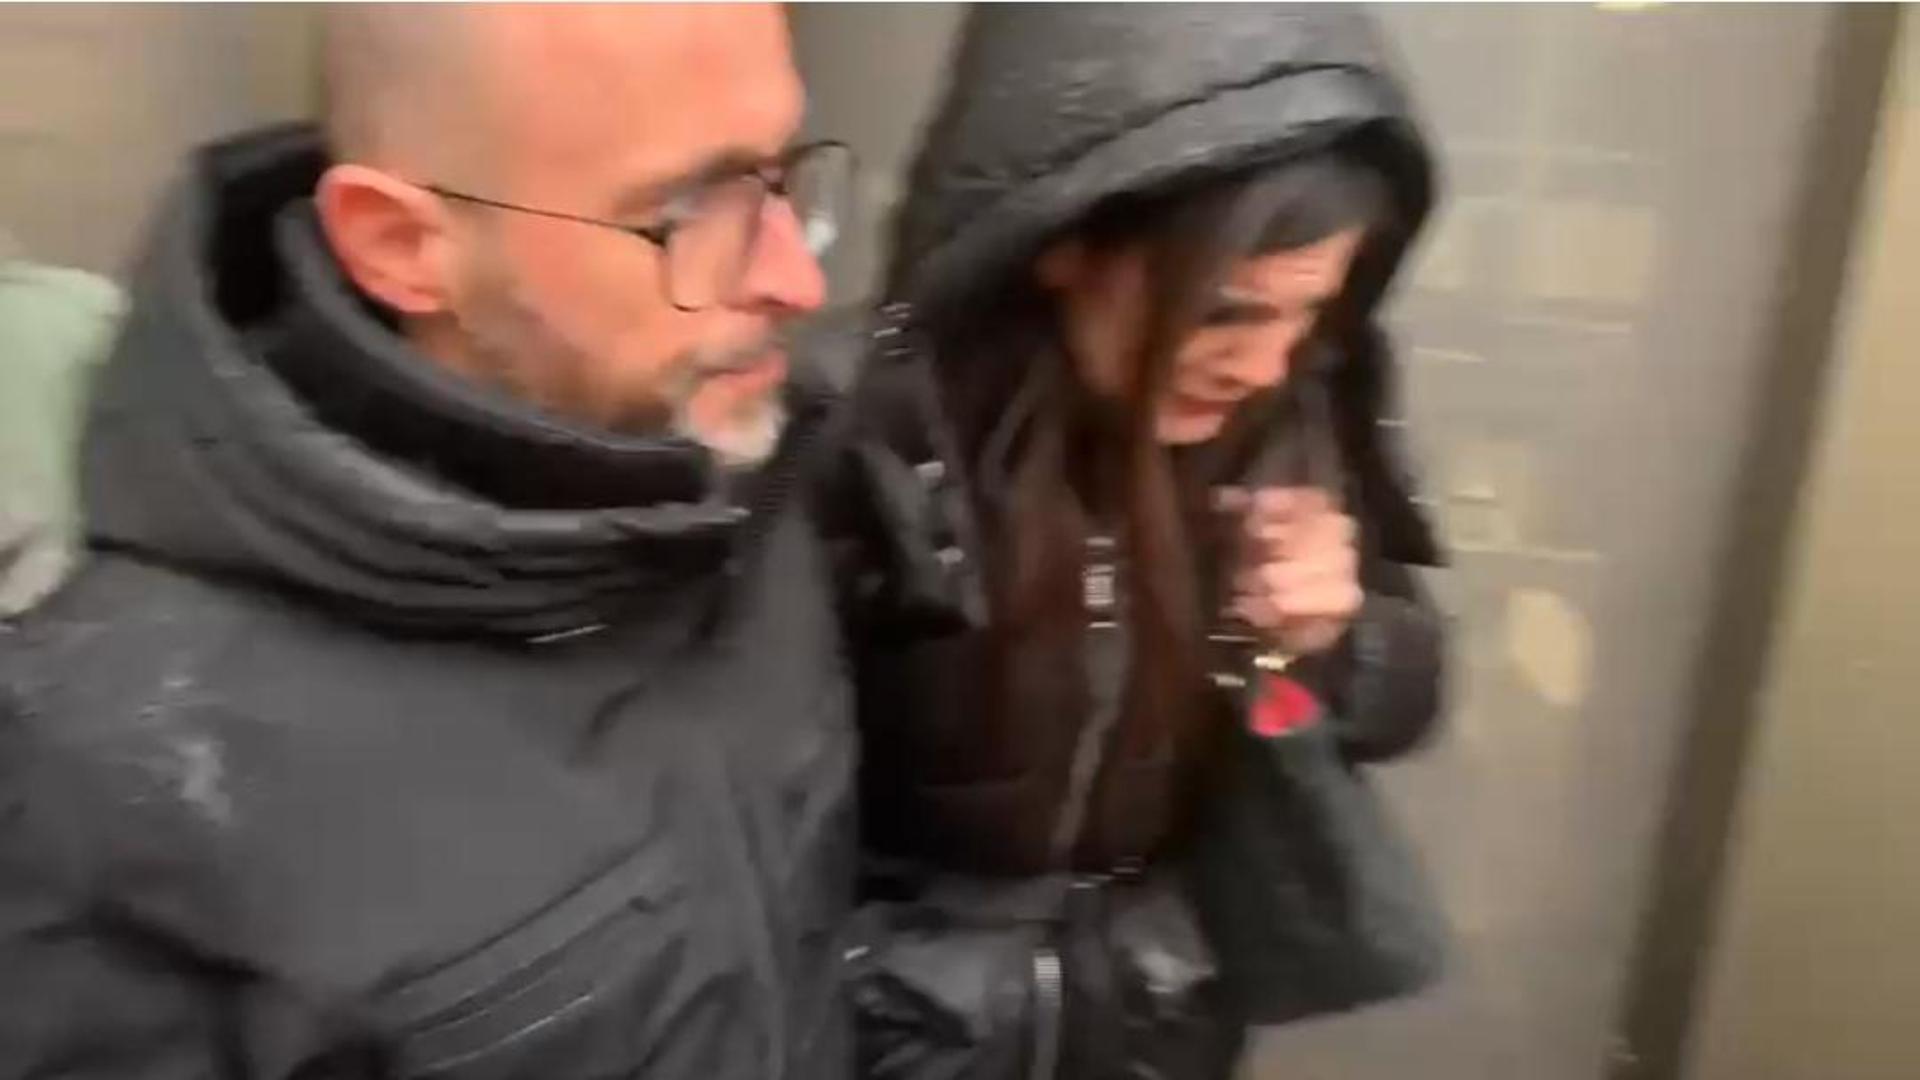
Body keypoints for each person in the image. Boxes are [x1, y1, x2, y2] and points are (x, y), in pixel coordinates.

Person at [0, 5, 863, 1076]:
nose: (797, 278)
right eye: (692, 210)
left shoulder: (750, 463)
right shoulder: (114, 788)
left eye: (780, 176)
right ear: (401, 247)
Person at [828, 7, 1448, 1078]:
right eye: (1228, 313)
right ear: (1065, 237)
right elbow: (729, 792)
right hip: (885, 1025)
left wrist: (1332, 640)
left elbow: (1407, 695)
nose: (1264, 365)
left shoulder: (1294, 419)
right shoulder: (871, 431)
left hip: (1156, 1018)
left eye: (1306, 317)